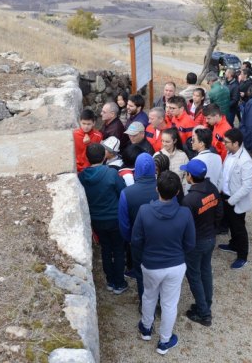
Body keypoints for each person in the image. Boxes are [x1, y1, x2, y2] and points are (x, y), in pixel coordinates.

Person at [133, 171, 195, 356]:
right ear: (177, 192)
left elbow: (136, 240)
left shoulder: (144, 211)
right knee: (169, 303)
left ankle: (146, 328)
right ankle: (164, 341)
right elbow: (190, 243)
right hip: (175, 265)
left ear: (156, 189)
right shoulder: (184, 213)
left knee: (149, 296)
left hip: (151, 264)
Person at [78, 143, 128, 294]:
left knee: (106, 249)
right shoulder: (111, 174)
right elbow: (123, 193)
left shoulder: (82, 177)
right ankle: (119, 283)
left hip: (97, 220)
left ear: (87, 158)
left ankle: (110, 281)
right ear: (104, 156)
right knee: (118, 250)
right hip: (114, 219)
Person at [179, 159, 222, 327]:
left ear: (190, 176)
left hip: (196, 243)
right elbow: (219, 213)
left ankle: (204, 313)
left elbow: (185, 226)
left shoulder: (189, 200)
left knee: (194, 276)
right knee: (205, 272)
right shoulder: (212, 189)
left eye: (186, 173)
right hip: (210, 238)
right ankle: (206, 302)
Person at [118, 153, 159, 304]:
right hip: (161, 239)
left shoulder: (127, 193)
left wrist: (130, 240)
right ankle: (159, 302)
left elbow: (124, 224)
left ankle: (145, 304)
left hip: (138, 241)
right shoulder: (164, 188)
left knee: (142, 276)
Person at [217, 128, 252, 269]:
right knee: (231, 224)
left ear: (236, 143)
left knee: (239, 228)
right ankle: (233, 244)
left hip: (234, 200)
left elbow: (246, 187)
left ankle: (242, 256)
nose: (224, 144)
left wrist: (231, 200)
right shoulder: (230, 153)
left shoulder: (246, 161)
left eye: (226, 142)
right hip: (225, 196)